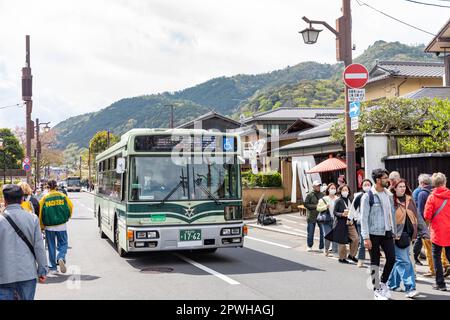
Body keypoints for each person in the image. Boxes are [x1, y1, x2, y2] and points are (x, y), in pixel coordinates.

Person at [0, 185, 47, 300]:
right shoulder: (32, 218)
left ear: (4, 200)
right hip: (27, 273)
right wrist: (42, 270)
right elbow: (39, 247)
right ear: (22, 199)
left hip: (3, 275)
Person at [387, 179, 429, 299]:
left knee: (399, 260)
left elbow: (417, 216)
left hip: (408, 235)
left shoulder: (409, 199)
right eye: (399, 186)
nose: (402, 188)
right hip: (395, 235)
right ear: (394, 188)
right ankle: (410, 288)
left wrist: (424, 231)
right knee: (404, 261)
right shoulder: (390, 200)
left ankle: (392, 284)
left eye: (404, 186)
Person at [361, 168, 396, 300]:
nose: (388, 180)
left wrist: (394, 231)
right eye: (385, 178)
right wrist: (366, 238)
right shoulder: (368, 196)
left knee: (392, 258)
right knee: (375, 262)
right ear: (378, 180)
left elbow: (391, 214)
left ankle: (382, 283)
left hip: (387, 231)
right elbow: (364, 218)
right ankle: (376, 290)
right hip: (373, 233)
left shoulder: (388, 195)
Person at [39, 180, 73, 274]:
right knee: (63, 243)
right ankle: (61, 257)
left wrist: (41, 226)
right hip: (61, 225)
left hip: (49, 227)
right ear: (56, 187)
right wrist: (67, 217)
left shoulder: (44, 198)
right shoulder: (62, 196)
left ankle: (53, 268)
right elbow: (70, 207)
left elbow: (40, 212)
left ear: (47, 187)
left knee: (51, 247)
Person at [424, 172, 450, 291]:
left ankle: (440, 284)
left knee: (436, 257)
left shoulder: (432, 197)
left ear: (433, 184)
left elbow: (427, 215)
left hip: (437, 231)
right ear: (444, 182)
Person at [326, 185, 359, 264]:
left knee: (356, 239)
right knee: (342, 242)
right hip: (341, 223)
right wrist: (342, 214)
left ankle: (352, 255)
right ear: (340, 191)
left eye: (346, 190)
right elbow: (334, 212)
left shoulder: (350, 200)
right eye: (343, 190)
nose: (345, 191)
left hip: (350, 222)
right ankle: (342, 258)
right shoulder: (338, 200)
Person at [350, 179, 372, 268]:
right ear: (362, 186)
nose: (367, 186)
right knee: (363, 242)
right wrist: (351, 218)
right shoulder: (359, 196)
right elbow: (353, 208)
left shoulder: (374, 195)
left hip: (372, 222)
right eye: (365, 184)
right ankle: (360, 260)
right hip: (361, 222)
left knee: (373, 242)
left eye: (368, 184)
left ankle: (374, 261)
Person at [317, 183, 339, 257]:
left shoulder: (338, 198)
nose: (333, 190)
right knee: (327, 235)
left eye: (334, 188)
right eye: (331, 188)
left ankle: (335, 251)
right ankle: (326, 249)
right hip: (326, 220)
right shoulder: (323, 199)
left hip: (336, 220)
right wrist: (325, 207)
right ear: (328, 190)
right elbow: (318, 208)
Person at [304, 180, 324, 252]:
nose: (318, 187)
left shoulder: (322, 195)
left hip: (320, 215)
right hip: (311, 216)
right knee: (310, 232)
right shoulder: (309, 195)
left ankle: (321, 247)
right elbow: (306, 204)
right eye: (317, 186)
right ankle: (309, 246)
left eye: (319, 185)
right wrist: (315, 206)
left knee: (322, 232)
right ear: (313, 186)